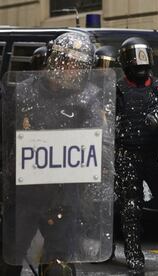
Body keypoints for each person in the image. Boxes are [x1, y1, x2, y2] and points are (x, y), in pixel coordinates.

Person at [3, 32, 104, 276]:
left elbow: (98, 146)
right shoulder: (23, 93)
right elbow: (5, 138)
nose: (72, 70)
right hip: (24, 192)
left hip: (64, 195)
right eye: (68, 62)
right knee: (9, 259)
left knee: (59, 266)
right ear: (55, 60)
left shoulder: (88, 99)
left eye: (79, 65)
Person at [115, 36, 158, 274]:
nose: (140, 67)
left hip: (154, 155)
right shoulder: (118, 89)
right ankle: (134, 256)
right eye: (135, 63)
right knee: (131, 208)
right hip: (127, 155)